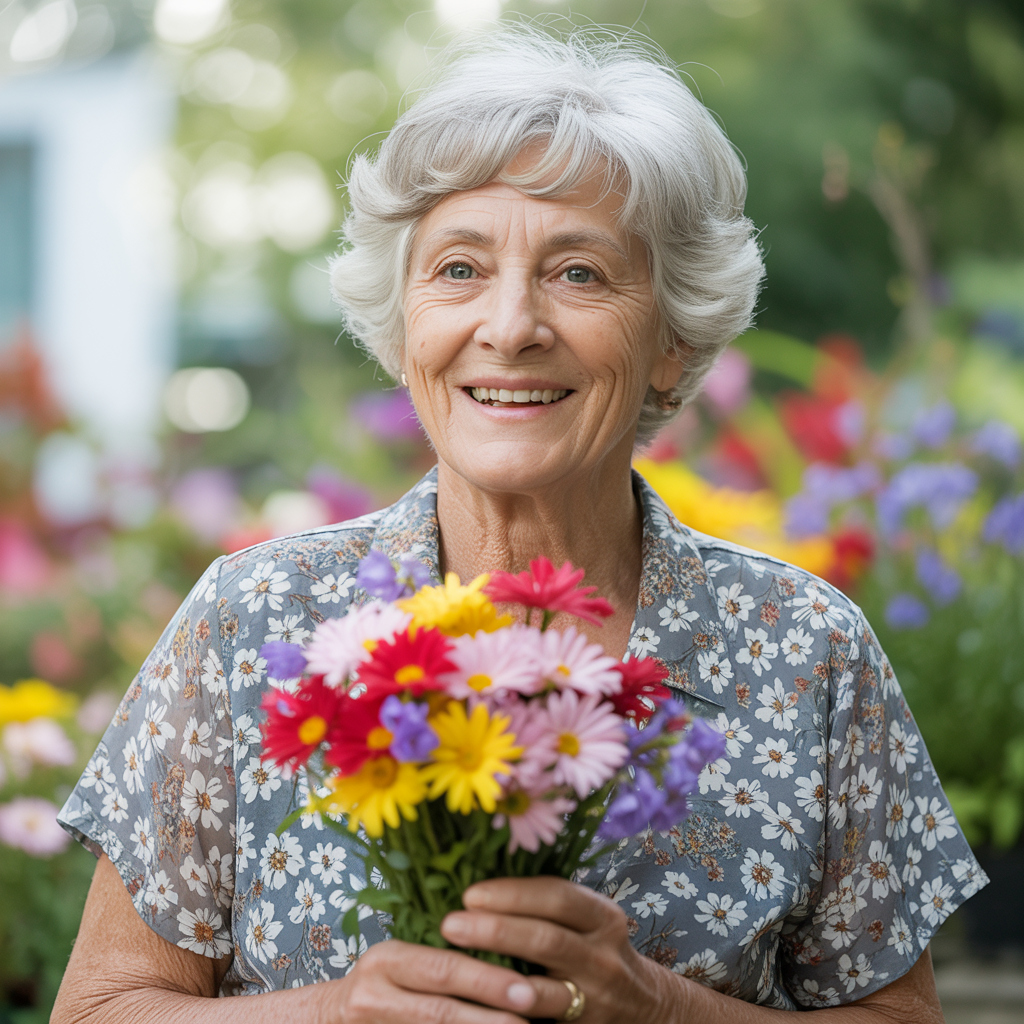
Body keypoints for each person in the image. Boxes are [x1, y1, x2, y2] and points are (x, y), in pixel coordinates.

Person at [52, 27, 984, 1024]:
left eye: (578, 274)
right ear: (404, 321)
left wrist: (667, 1012)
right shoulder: (251, 625)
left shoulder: (809, 651)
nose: (509, 325)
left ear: (671, 340)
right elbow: (99, 1010)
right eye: (457, 269)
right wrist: (330, 1012)